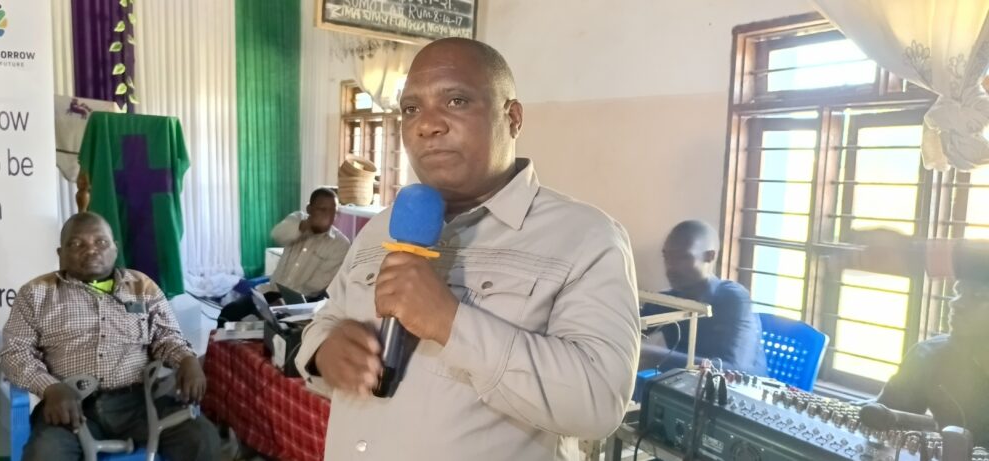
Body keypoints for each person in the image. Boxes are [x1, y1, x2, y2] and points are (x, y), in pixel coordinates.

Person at [294, 38, 640, 461]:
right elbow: (326, 319)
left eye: (456, 101)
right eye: (411, 109)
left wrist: (449, 322)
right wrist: (324, 351)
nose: (427, 125)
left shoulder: (585, 237)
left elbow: (599, 402)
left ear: (512, 118)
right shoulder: (382, 226)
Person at [0, 212, 220, 461]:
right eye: (77, 244)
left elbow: (166, 337)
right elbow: (15, 353)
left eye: (101, 242)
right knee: (45, 454)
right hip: (71, 406)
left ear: (115, 249)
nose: (91, 250)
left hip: (140, 404)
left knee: (202, 439)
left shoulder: (142, 286)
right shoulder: (36, 294)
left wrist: (187, 360)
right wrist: (50, 388)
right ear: (61, 253)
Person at [875, 239, 989, 447]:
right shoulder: (928, 355)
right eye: (959, 292)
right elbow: (883, 420)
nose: (956, 303)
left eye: (978, 296)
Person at [640, 220, 768, 376]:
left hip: (736, 389)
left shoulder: (733, 299)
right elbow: (628, 328)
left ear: (709, 256)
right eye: (667, 257)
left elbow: (736, 371)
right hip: (687, 386)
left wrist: (652, 355)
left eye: (683, 257)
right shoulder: (668, 301)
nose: (671, 267)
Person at [217, 187, 350, 327]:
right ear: (309, 209)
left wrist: (281, 303)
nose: (328, 216)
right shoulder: (297, 219)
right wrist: (306, 225)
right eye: (322, 210)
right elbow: (277, 235)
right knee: (228, 314)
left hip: (302, 304)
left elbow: (315, 287)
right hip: (269, 291)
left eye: (333, 211)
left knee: (267, 329)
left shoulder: (340, 244)